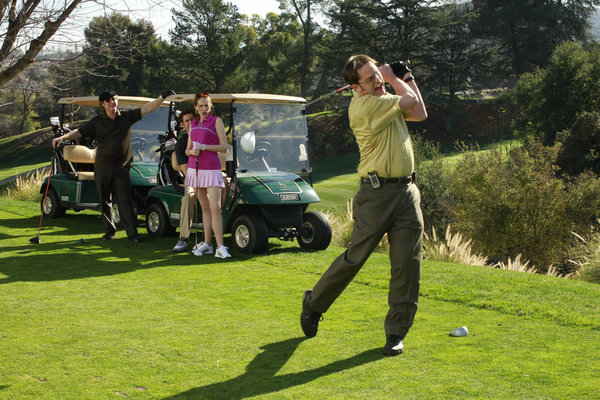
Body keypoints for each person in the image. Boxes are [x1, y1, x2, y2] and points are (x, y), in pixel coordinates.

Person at [300, 55, 427, 356]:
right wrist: (395, 79)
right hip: (376, 195)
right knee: (356, 257)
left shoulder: (384, 99)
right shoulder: (365, 106)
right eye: (370, 78)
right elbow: (408, 102)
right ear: (355, 88)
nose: (378, 80)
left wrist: (405, 76)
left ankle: (396, 332)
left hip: (407, 192)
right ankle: (314, 303)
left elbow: (420, 112)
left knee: (407, 265)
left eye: (377, 74)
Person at [52, 89, 175, 243]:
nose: (112, 102)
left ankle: (132, 234)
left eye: (114, 99)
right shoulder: (97, 122)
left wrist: (162, 97)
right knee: (104, 201)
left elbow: (147, 108)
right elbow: (78, 132)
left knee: (124, 200)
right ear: (103, 104)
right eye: (109, 100)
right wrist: (62, 137)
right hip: (102, 167)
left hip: (122, 167)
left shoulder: (126, 117)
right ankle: (110, 231)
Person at [185, 93, 231, 258]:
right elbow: (187, 150)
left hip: (212, 170)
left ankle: (221, 246)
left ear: (210, 106)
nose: (204, 109)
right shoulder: (193, 125)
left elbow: (224, 148)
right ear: (196, 107)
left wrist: (204, 147)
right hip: (195, 169)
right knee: (204, 208)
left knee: (215, 208)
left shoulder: (216, 121)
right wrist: (193, 151)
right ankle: (208, 244)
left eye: (207, 105)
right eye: (201, 106)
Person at [172, 108, 198, 253]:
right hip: (192, 178)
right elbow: (186, 171)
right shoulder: (181, 144)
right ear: (182, 125)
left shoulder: (205, 135)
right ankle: (183, 238)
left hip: (211, 174)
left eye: (192, 120)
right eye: (186, 121)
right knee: (189, 196)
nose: (190, 123)